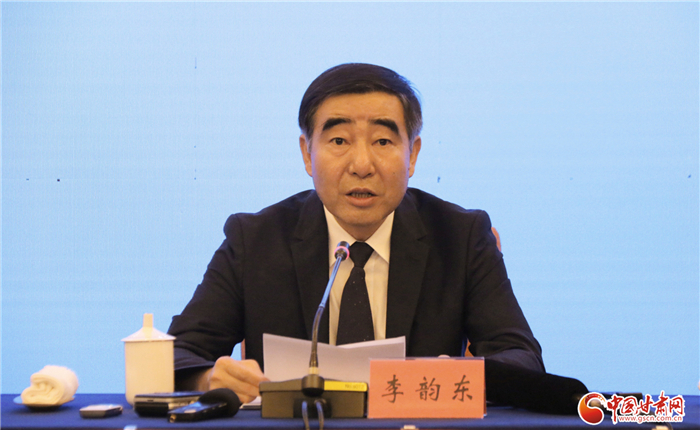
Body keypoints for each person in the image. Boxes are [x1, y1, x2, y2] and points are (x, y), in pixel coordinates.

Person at [167, 63, 544, 403]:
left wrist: (459, 374)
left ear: (412, 155)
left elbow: (522, 356)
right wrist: (207, 379)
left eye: (383, 141)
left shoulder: (460, 237)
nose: (362, 165)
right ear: (307, 154)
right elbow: (178, 353)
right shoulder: (255, 240)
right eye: (339, 141)